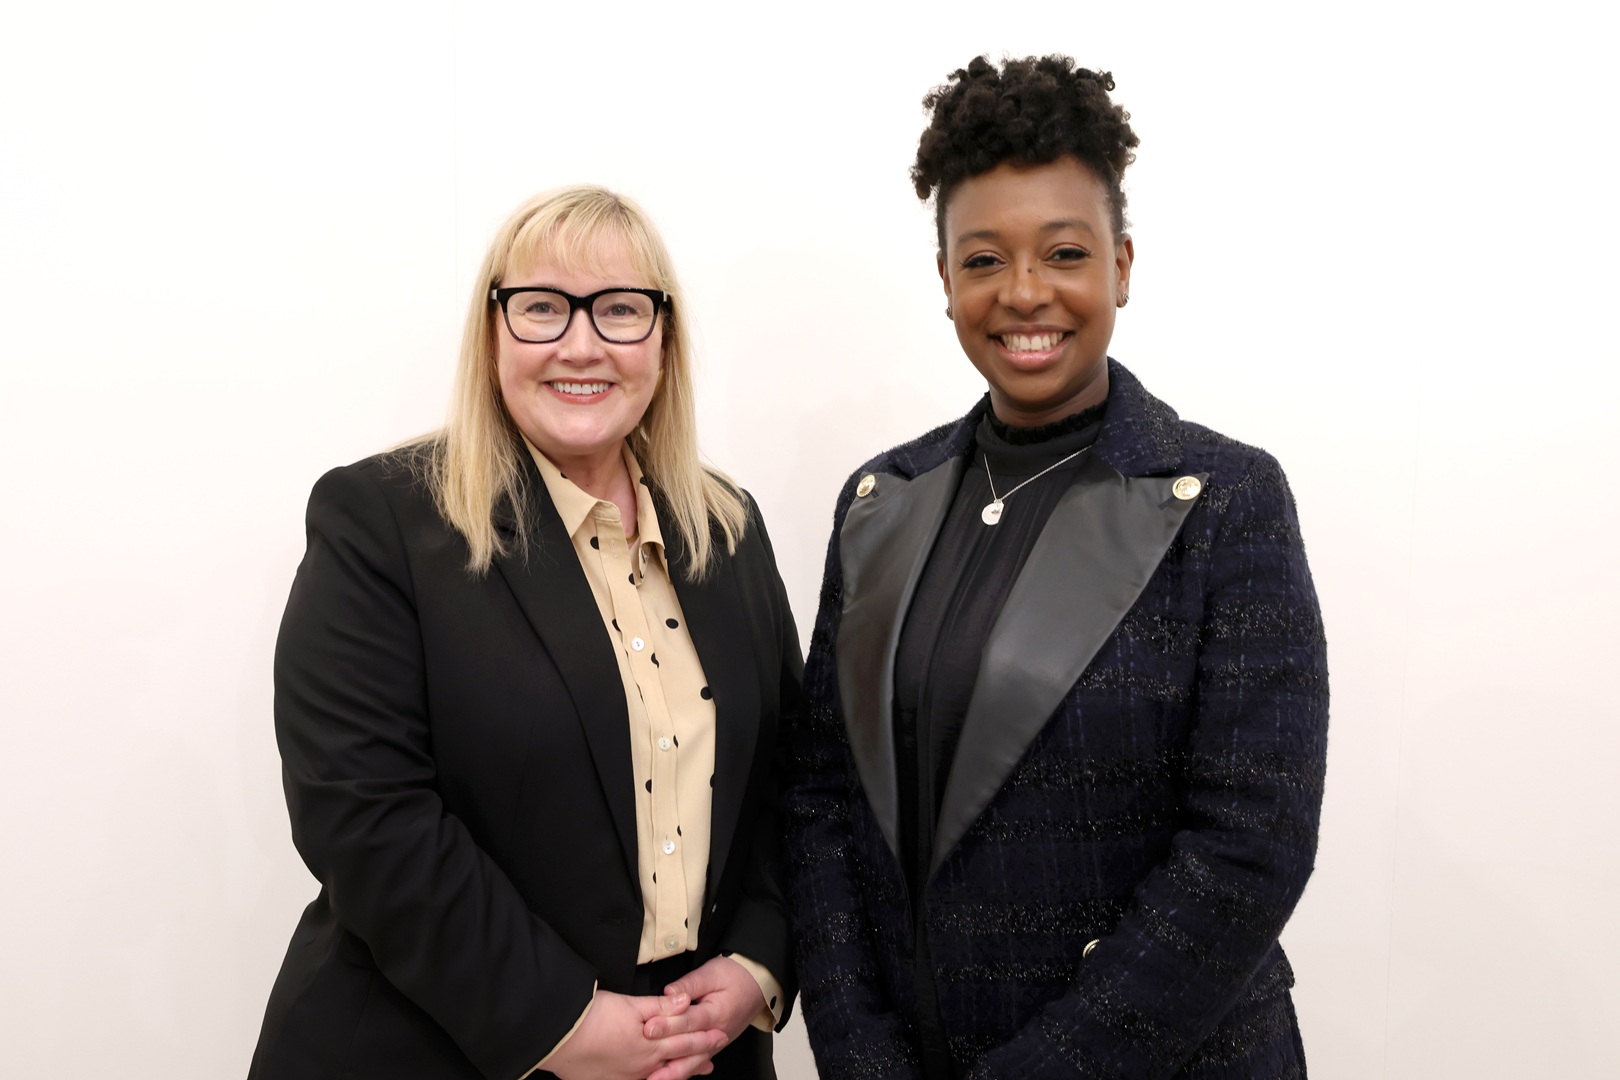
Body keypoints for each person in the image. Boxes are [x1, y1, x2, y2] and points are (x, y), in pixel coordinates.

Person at [785, 55, 1329, 1079]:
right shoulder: (879, 499)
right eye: (984, 259)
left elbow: (1250, 845)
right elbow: (822, 801)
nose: (1025, 291)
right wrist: (858, 1053)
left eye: (1065, 253)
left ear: (1121, 265)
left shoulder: (1228, 501)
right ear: (946, 281)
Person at [249, 186, 800, 1080]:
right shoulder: (382, 522)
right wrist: (561, 1023)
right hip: (431, 1051)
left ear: (663, 339)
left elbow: (788, 780)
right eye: (542, 308)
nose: (581, 345)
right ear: (492, 333)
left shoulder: (725, 527)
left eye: (620, 309)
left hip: (693, 1058)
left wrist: (756, 962)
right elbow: (365, 814)